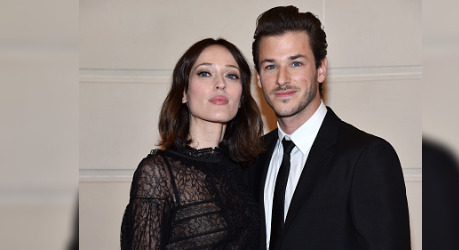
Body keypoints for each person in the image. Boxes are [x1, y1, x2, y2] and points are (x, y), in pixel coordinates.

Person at [245, 5, 411, 249]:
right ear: (258, 77)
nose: (282, 79)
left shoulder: (367, 157)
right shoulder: (251, 158)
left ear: (321, 69)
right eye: (270, 66)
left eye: (296, 64)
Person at [120, 38, 263, 249]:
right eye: (205, 73)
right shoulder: (158, 173)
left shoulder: (250, 170)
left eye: (231, 75)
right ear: (184, 93)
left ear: (241, 98)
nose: (220, 83)